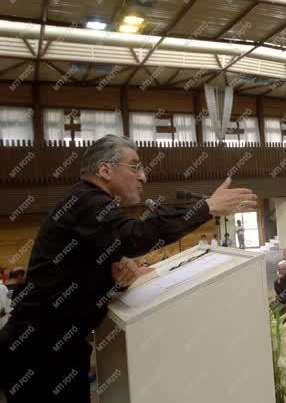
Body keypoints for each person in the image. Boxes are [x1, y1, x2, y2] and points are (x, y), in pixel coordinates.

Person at [0, 135, 257, 403]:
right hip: (40, 355)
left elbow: (79, 277)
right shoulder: (86, 202)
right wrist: (206, 207)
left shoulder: (91, 206)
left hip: (55, 350)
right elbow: (136, 235)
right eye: (135, 167)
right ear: (105, 169)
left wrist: (117, 281)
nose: (143, 177)